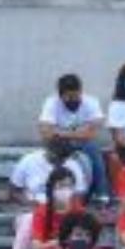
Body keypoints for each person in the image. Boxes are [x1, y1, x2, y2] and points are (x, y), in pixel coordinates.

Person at [38, 72, 109, 201]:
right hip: (59, 144)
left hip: (82, 143)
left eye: (76, 96)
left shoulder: (91, 102)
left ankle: (102, 194)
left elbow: (91, 134)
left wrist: (61, 132)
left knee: (93, 150)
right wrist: (78, 133)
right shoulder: (51, 103)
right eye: (69, 97)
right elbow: (46, 133)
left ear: (81, 91)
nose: (73, 100)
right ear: (60, 96)